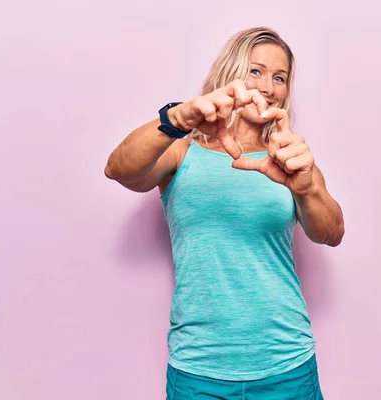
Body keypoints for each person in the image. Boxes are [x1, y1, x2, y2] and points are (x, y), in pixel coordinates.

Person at [105, 26, 344, 400]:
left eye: (280, 78)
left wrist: (306, 186)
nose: (268, 86)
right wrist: (178, 118)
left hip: (286, 364)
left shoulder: (291, 157)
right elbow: (119, 169)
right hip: (199, 369)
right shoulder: (182, 151)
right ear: (230, 75)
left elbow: (331, 232)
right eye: (256, 71)